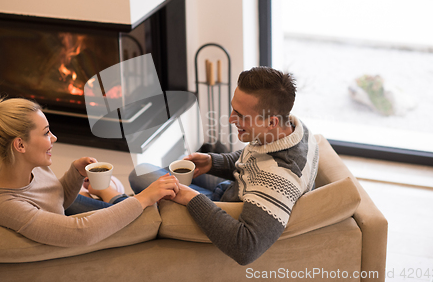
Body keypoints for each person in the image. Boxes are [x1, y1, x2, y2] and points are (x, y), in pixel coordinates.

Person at [129, 67, 319, 265]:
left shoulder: (279, 178)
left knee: (139, 176)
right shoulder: (295, 130)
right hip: (230, 190)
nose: (230, 119)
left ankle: (116, 201)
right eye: (233, 109)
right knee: (144, 173)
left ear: (271, 122)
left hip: (220, 207)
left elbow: (245, 248)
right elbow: (256, 159)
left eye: (240, 115)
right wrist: (213, 162)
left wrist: (192, 198)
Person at [0, 90, 179, 247]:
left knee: (131, 201)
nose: (54, 138)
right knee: (146, 215)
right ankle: (119, 196)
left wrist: (75, 174)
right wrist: (143, 198)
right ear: (20, 145)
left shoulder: (21, 165)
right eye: (45, 133)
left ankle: (115, 195)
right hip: (72, 249)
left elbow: (54, 199)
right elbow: (81, 233)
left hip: (65, 222)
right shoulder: (7, 206)